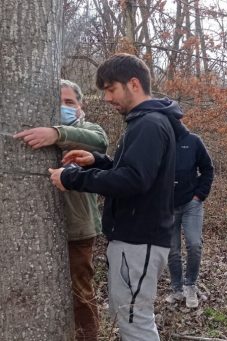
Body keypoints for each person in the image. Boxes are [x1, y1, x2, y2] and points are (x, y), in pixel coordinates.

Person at [47, 53, 187, 341]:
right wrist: (97, 161)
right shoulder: (144, 122)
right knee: (129, 319)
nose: (108, 98)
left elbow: (133, 180)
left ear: (133, 84)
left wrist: (72, 177)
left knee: (135, 323)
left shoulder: (149, 123)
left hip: (139, 239)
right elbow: (135, 172)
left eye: (111, 89)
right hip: (134, 239)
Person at [14, 79, 108, 341]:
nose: (64, 107)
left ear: (80, 105)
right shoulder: (33, 127)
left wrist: (57, 134)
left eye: (69, 102)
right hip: (32, 232)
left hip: (77, 229)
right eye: (60, 102)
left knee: (81, 292)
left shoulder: (88, 129)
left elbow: (99, 141)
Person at [165, 128, 214, 308]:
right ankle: (177, 288)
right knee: (172, 249)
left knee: (194, 244)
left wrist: (199, 195)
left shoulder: (193, 141)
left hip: (191, 204)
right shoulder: (160, 140)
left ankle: (190, 285)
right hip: (167, 206)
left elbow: (208, 169)